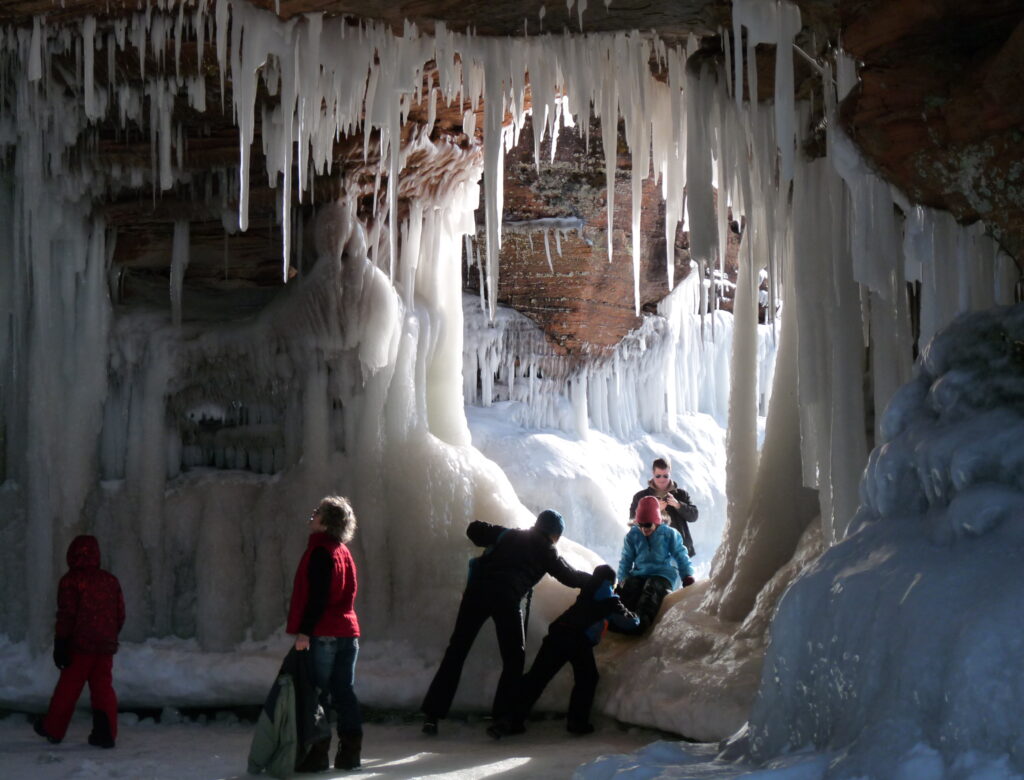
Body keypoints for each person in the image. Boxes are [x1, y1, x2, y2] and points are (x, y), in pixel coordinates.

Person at [420, 509, 591, 736]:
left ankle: (432, 715)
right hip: (506, 599)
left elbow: (474, 530)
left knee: (457, 651)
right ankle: (502, 718)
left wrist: (495, 535)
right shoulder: (547, 551)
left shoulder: (510, 535)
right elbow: (570, 577)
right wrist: (596, 580)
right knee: (513, 659)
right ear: (554, 534)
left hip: (476, 594)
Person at [489, 564, 638, 738]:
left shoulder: (588, 589)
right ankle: (577, 722)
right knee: (587, 678)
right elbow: (630, 623)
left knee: (537, 678)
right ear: (611, 582)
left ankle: (509, 720)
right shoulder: (610, 599)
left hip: (557, 633)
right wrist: (638, 615)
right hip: (577, 639)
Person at [286, 495, 363, 772]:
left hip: (324, 633)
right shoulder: (343, 551)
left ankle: (317, 755)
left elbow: (317, 597)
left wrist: (304, 632)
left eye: (317, 511)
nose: (313, 514)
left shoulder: (321, 551)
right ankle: (350, 754)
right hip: (348, 633)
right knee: (345, 693)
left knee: (317, 694)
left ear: (327, 521)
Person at [34, 535, 125, 748]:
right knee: (103, 688)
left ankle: (53, 729)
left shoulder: (71, 580)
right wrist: (109, 635)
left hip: (80, 646)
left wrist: (61, 641)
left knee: (68, 688)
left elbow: (67, 614)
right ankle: (106, 734)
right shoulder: (110, 580)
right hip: (105, 646)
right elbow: (120, 613)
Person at [616, 496, 695, 634]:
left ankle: (641, 623)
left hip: (663, 574)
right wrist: (622, 579)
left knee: (652, 588)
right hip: (640, 573)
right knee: (632, 585)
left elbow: (681, 555)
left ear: (656, 521)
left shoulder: (669, 534)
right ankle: (621, 619)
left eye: (647, 525)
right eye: (640, 525)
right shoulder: (633, 536)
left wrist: (687, 576)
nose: (643, 529)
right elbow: (626, 559)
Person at [629, 457, 699, 558]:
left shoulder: (681, 495)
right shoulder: (640, 497)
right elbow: (634, 525)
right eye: (658, 476)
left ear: (670, 473)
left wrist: (678, 505)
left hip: (679, 553)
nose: (662, 480)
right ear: (653, 473)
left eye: (665, 476)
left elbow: (694, 516)